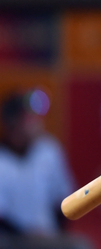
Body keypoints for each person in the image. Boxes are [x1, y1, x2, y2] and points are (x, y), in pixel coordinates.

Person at [0, 90, 74, 238]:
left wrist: (54, 234)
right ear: (13, 122)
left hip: (47, 237)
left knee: (79, 245)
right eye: (29, 118)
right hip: (10, 240)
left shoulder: (49, 150)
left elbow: (63, 201)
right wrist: (28, 236)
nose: (38, 122)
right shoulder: (3, 160)